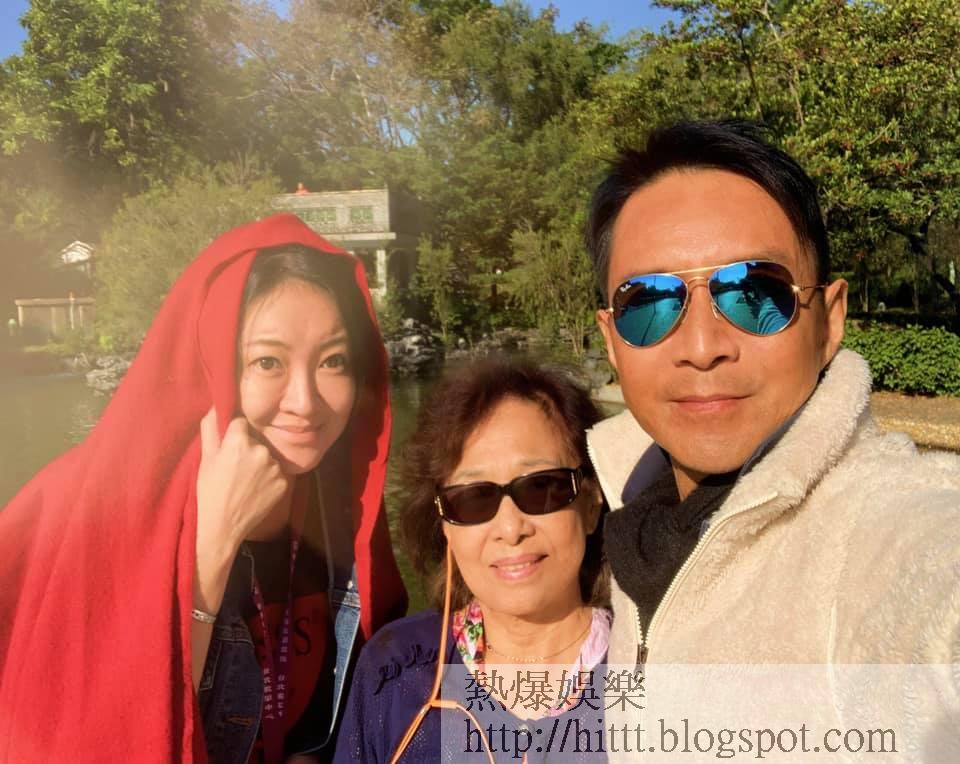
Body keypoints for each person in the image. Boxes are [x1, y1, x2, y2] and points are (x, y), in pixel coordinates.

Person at [585, 120, 960, 757]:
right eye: (648, 303)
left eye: (755, 293)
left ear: (829, 321)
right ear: (612, 340)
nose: (702, 346)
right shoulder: (630, 514)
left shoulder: (880, 537)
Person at [0, 214, 407, 762]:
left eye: (334, 361)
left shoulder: (342, 507)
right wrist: (212, 547)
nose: (306, 402)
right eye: (268, 362)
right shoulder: (83, 506)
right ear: (211, 363)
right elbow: (105, 736)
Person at [334, 358, 611, 762]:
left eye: (541, 488)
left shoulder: (653, 674)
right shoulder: (395, 673)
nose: (510, 529)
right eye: (474, 498)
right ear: (444, 524)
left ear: (589, 503)